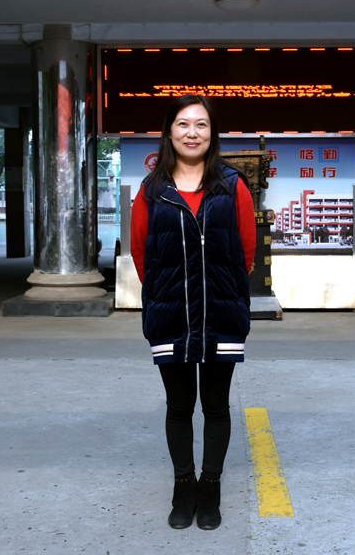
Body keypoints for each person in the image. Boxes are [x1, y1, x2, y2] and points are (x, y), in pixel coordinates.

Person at [130, 94, 256, 530]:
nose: (192, 133)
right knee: (179, 406)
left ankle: (210, 486)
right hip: (170, 315)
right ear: (169, 132)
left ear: (212, 133)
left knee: (216, 406)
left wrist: (224, 292)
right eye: (183, 124)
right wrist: (166, 294)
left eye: (201, 124)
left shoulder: (233, 186)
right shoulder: (152, 191)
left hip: (221, 313)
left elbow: (245, 253)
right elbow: (142, 254)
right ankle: (183, 486)